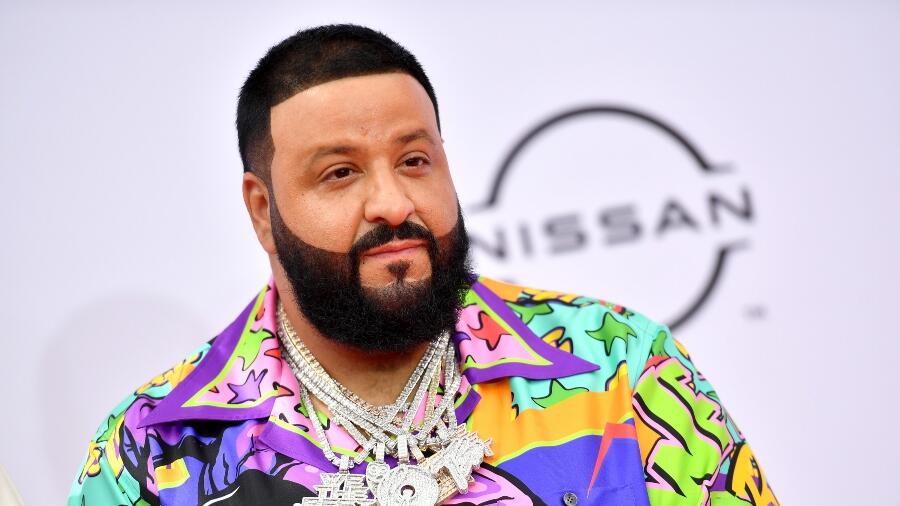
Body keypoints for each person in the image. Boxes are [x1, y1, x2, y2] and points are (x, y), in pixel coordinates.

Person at [69, 24, 778, 506]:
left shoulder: (620, 368)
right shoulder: (155, 451)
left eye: (414, 160)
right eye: (340, 173)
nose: (392, 202)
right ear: (262, 211)